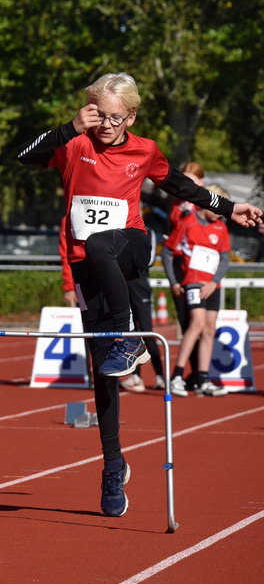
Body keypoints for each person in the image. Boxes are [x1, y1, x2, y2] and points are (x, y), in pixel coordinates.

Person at [15, 72, 262, 518]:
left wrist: (230, 208)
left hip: (130, 248)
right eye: (98, 115)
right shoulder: (74, 143)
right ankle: (113, 465)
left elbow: (183, 188)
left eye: (114, 117)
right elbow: (23, 155)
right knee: (104, 372)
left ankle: (129, 334)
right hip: (87, 269)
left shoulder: (144, 150)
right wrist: (70, 127)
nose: (105, 125)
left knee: (100, 243)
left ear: (131, 115)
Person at [58, 226, 164, 392]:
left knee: (144, 328)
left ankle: (159, 374)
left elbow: (147, 257)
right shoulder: (71, 219)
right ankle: (112, 374)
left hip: (133, 280)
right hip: (86, 275)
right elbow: (66, 252)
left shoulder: (141, 228)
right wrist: (69, 285)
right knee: (95, 332)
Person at [162, 184, 232, 397]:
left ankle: (203, 378)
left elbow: (225, 258)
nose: (220, 215)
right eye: (219, 208)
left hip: (213, 285)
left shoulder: (221, 228)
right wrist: (174, 281)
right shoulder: (188, 222)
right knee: (197, 324)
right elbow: (168, 251)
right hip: (193, 282)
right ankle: (177, 376)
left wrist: (214, 281)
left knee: (209, 328)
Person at [159, 161, 205, 389]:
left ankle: (200, 373)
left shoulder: (205, 203)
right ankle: (190, 372)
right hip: (180, 264)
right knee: (187, 321)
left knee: (202, 323)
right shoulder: (178, 204)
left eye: (192, 180)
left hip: (200, 267)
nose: (187, 184)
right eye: (184, 179)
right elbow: (173, 238)